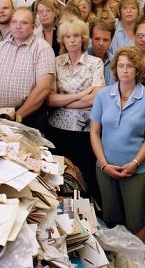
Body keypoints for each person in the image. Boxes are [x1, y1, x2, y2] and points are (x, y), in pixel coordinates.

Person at [90, 46, 145, 242]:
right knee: (110, 217)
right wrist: (104, 164)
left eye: (130, 66)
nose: (125, 70)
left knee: (135, 220)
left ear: (137, 69)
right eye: (121, 65)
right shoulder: (103, 96)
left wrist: (135, 163)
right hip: (105, 168)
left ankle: (139, 260)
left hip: (136, 170)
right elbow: (95, 133)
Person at [48, 17, 105, 198]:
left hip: (85, 130)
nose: (72, 40)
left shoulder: (95, 63)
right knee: (62, 179)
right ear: (62, 40)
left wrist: (64, 100)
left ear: (83, 39)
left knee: (86, 177)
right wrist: (81, 95)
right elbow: (49, 100)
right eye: (67, 36)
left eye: (76, 36)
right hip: (58, 130)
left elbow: (95, 99)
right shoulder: (56, 62)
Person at [0, 7, 55, 127]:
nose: (18, 26)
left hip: (29, 118)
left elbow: (43, 89)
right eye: (14, 22)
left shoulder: (42, 48)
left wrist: (16, 117)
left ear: (33, 27)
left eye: (24, 22)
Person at [88, 17, 115, 86]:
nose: (101, 44)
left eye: (105, 40)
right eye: (97, 39)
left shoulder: (115, 62)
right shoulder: (81, 59)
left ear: (111, 41)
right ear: (91, 39)